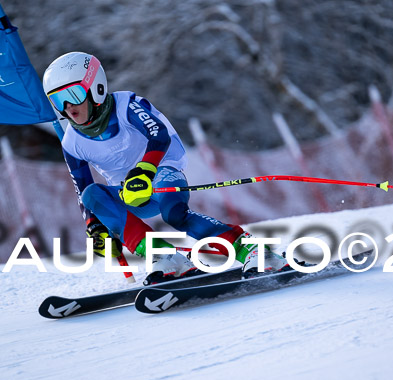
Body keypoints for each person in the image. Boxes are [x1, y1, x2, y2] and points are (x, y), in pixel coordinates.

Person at [42, 51, 288, 283]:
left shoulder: (127, 104)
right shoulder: (72, 143)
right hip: (129, 194)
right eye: (58, 100)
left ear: (95, 87)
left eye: (72, 95)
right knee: (92, 195)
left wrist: (144, 170)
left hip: (163, 172)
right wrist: (93, 226)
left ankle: (254, 251)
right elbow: (82, 190)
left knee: (174, 215)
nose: (68, 107)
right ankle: (165, 256)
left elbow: (159, 135)